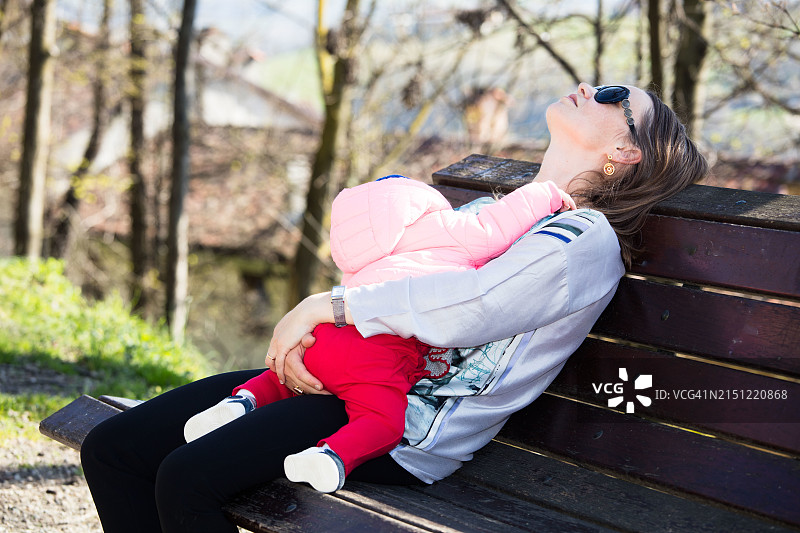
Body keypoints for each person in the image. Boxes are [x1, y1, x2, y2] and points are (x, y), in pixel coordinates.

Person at [80, 83, 708, 533]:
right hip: (335, 382)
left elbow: (472, 307)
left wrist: (329, 306)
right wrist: (316, 334)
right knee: (114, 449)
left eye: (614, 96)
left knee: (186, 477)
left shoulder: (584, 238)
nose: (590, 88)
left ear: (627, 152)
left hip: (398, 424)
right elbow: (394, 272)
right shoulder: (496, 209)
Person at [183, 174, 575, 493]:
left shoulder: (364, 251)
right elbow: (493, 226)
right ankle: (331, 458)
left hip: (327, 333)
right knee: (382, 421)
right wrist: (548, 194)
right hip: (380, 348)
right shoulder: (447, 228)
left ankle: (240, 403)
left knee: (283, 382)